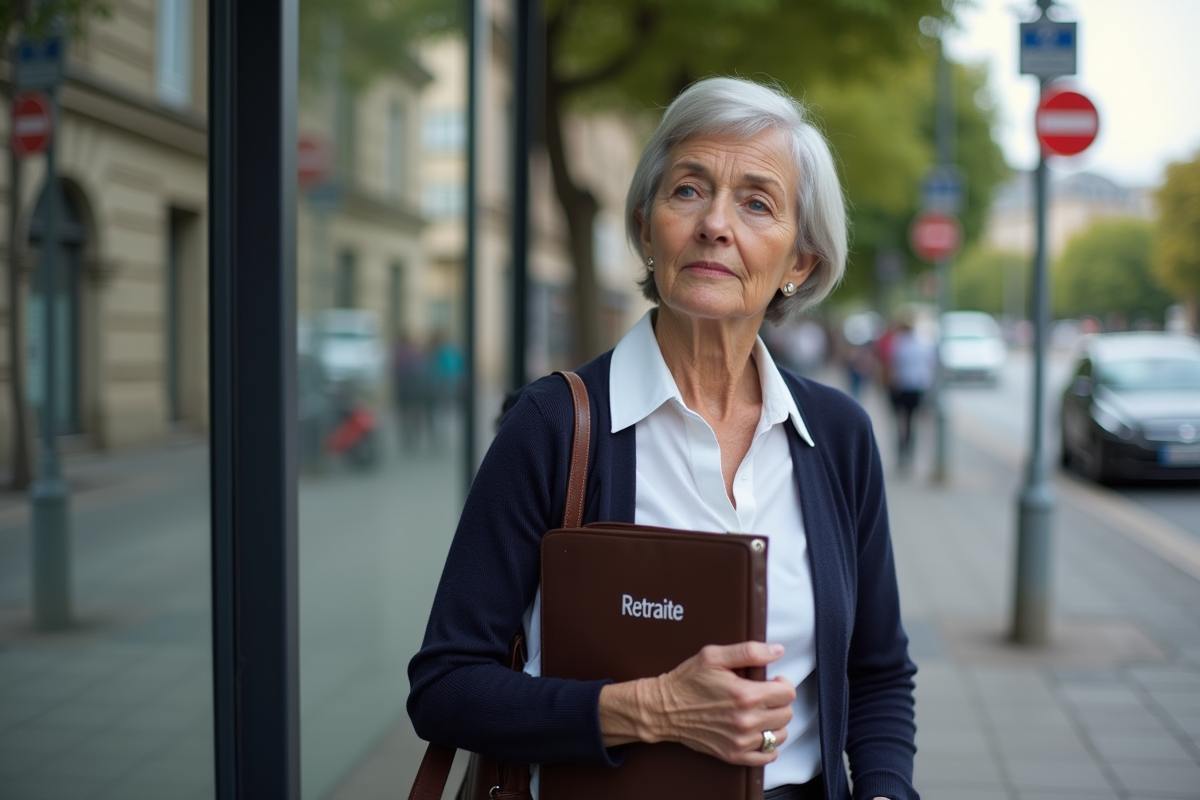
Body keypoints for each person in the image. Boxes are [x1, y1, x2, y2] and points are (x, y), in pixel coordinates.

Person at [408, 77, 918, 800]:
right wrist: (649, 710)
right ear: (647, 228)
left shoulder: (839, 435)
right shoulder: (553, 426)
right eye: (688, 190)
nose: (715, 224)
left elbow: (878, 672)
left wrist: (886, 792)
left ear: (799, 262)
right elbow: (445, 686)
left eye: (757, 203)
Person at [884, 314, 937, 472]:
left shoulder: (899, 343)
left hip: (902, 386)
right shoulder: (923, 344)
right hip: (918, 386)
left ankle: (902, 453)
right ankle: (909, 453)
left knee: (901, 421)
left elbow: (893, 364)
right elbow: (931, 365)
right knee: (912, 421)